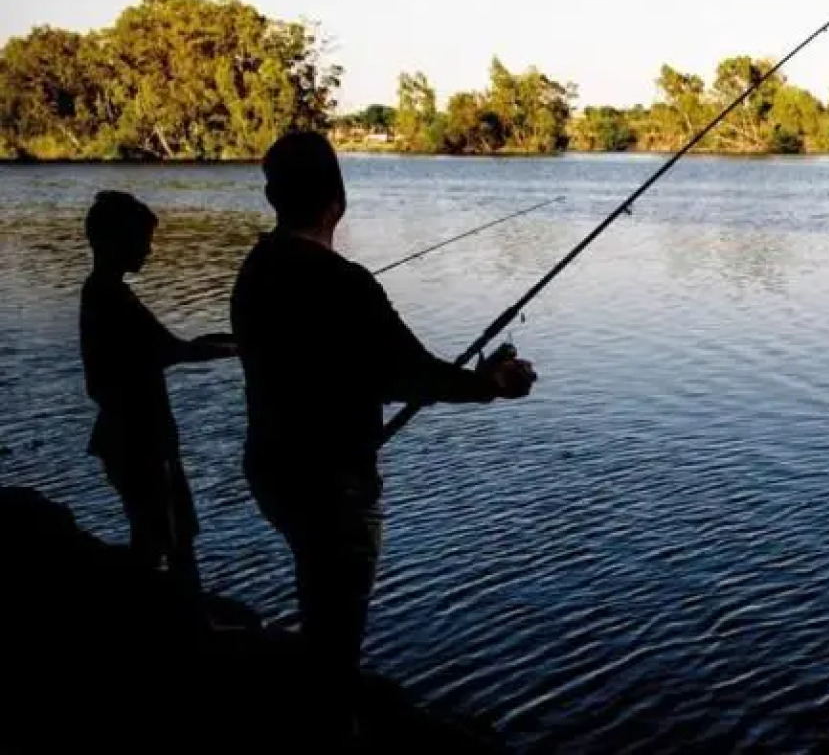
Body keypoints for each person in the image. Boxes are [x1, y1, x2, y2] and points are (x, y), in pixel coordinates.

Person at [230, 131, 535, 731]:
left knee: (317, 604)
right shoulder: (345, 283)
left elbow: (353, 369)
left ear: (272, 197)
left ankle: (312, 705)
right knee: (336, 634)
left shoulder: (256, 269)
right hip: (332, 485)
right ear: (337, 200)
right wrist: (493, 384)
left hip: (270, 469)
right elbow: (409, 373)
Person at [79, 190, 237, 595]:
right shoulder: (110, 296)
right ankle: (185, 620)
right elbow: (173, 350)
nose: (149, 250)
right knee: (166, 537)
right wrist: (238, 348)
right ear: (115, 241)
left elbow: (168, 346)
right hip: (139, 440)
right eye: (142, 240)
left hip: (132, 436)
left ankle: (178, 615)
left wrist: (234, 342)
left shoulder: (104, 291)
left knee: (164, 533)